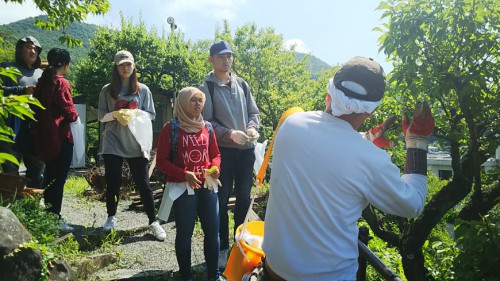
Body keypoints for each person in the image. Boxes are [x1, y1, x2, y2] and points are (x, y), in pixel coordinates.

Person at [262, 57, 435, 281]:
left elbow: (327, 143)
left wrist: (367, 138)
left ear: (329, 93)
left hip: (273, 269)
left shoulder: (291, 124)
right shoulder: (371, 160)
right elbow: (413, 203)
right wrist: (417, 141)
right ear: (370, 112)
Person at [199, 40, 261, 267]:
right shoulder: (207, 86)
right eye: (221, 56)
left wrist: (252, 128)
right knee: (222, 200)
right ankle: (223, 247)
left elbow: (254, 113)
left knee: (244, 198)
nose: (226, 60)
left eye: (229, 56)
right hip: (223, 152)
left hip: (246, 151)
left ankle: (241, 243)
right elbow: (206, 122)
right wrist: (229, 134)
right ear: (211, 59)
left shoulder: (242, 84)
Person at [98, 50, 166, 241]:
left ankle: (153, 222)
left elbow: (151, 114)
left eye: (129, 64)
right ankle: (111, 217)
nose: (125, 67)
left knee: (144, 183)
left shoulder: (143, 90)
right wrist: (115, 114)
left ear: (134, 66)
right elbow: (102, 116)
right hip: (113, 140)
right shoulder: (106, 90)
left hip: (136, 141)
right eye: (121, 64)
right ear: (116, 67)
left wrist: (136, 114)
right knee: (113, 181)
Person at [156, 87, 222, 281]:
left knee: (212, 232)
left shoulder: (207, 127)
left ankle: (214, 275)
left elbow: (215, 154)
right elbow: (161, 162)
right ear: (183, 103)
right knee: (185, 234)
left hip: (207, 186)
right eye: (193, 100)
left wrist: (216, 167)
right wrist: (184, 174)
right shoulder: (172, 128)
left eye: (200, 100)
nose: (197, 104)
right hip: (183, 189)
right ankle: (186, 276)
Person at [31, 48, 78, 230]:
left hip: (44, 138)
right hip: (60, 137)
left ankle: (49, 216)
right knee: (59, 179)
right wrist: (73, 116)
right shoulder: (61, 83)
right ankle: (55, 218)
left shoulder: (42, 82)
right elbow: (70, 112)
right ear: (65, 65)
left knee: (49, 177)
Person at [0, 36, 45, 187]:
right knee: (10, 171)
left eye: (35, 48)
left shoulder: (41, 74)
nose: (33, 51)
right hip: (11, 129)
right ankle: (9, 207)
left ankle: (31, 207)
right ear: (19, 50)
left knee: (37, 172)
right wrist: (22, 90)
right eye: (28, 47)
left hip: (35, 130)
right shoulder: (6, 68)